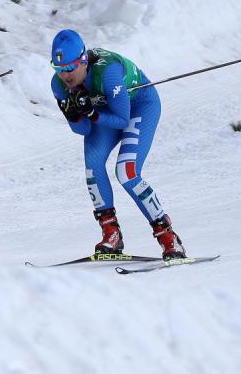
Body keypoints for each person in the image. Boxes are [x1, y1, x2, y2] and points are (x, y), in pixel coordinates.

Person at [49, 29, 185, 259]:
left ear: (83, 61)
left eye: (70, 68)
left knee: (126, 171)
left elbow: (122, 119)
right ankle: (111, 233)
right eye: (59, 69)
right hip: (104, 111)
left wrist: (91, 112)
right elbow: (83, 130)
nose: (65, 75)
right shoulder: (59, 85)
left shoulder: (108, 73)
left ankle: (168, 237)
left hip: (139, 106)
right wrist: (74, 114)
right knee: (93, 164)